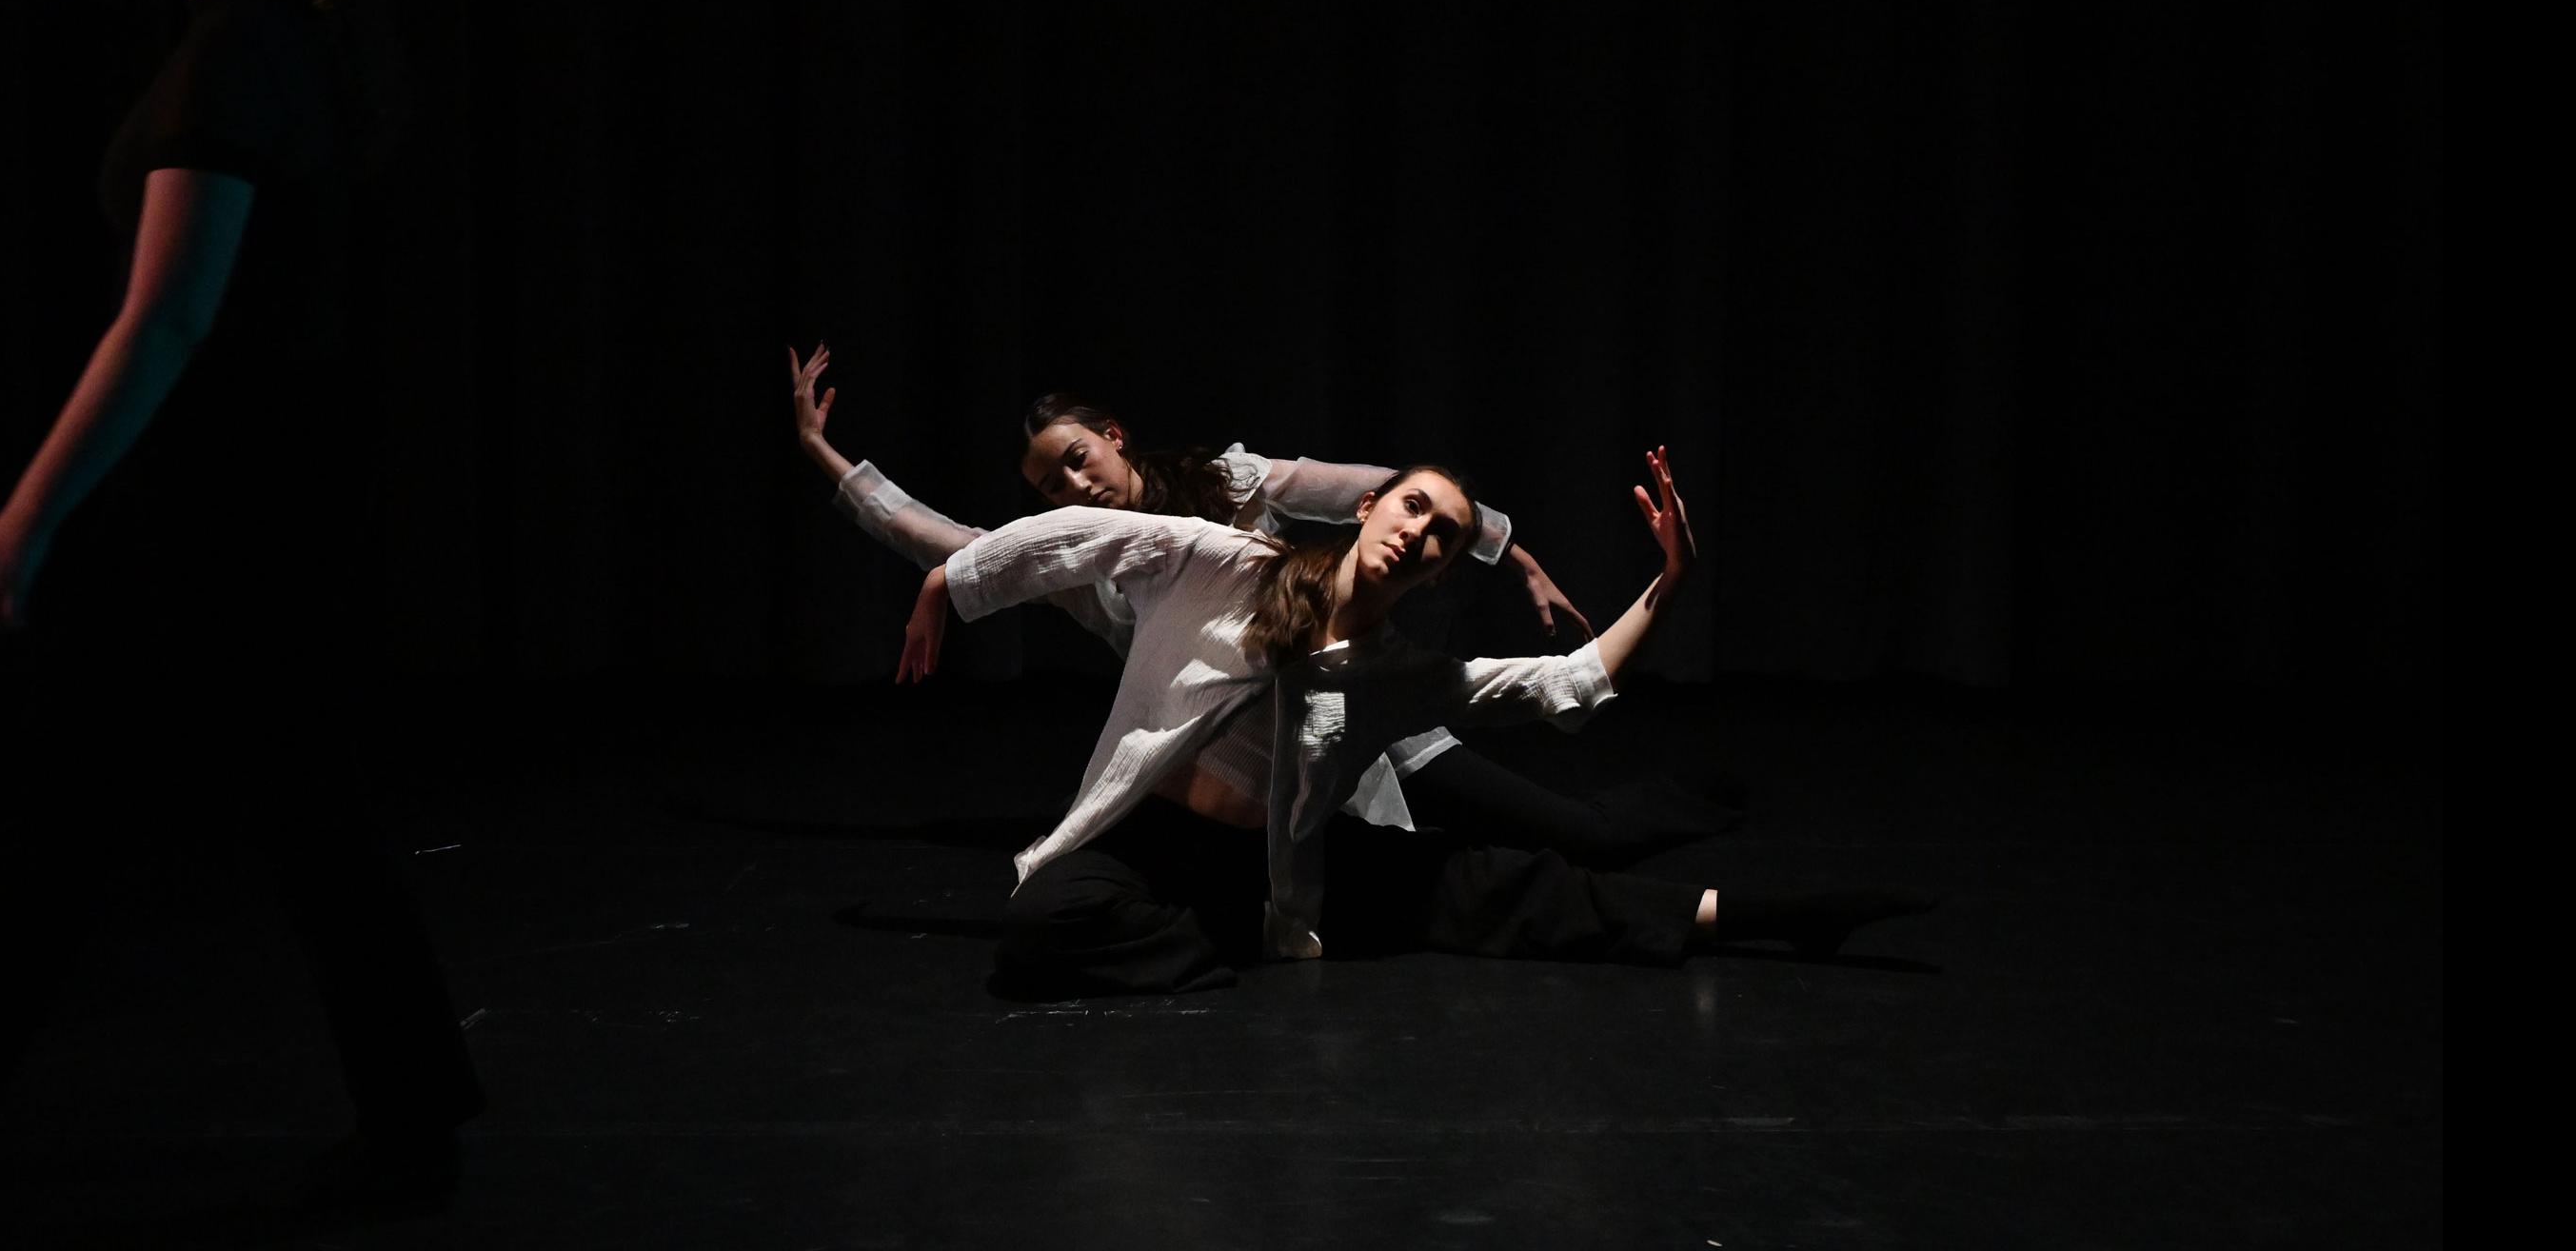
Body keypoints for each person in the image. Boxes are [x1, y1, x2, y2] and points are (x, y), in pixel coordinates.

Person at [0, 0, 476, 1212]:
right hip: (254, 506)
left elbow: (165, 318)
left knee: (107, 804)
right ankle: (413, 1108)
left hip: (219, 514)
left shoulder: (234, 54)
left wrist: (24, 518)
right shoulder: (264, 44)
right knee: (227, 806)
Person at [900, 449, 1928, 997]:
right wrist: (956, 578)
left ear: (1440, 566)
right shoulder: (1225, 563)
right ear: (1369, 510)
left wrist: (1670, 582)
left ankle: (1759, 918)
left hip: (1273, 865)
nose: (1421, 532)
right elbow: (1085, 535)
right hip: (1152, 842)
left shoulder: (1397, 673)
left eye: (1442, 536)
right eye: (1412, 508)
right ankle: (1236, 946)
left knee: (1501, 890)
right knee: (1035, 930)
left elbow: (1558, 683)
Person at [787, 347, 1738, 862]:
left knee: (1560, 836)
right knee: (1454, 871)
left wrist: (1510, 550)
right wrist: (823, 454)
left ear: (1115, 437)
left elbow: (1383, 491)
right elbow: (945, 543)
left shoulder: (1228, 490)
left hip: (1362, 714)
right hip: (1262, 775)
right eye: (1046, 484)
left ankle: (1681, 804)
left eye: (1076, 457)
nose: (1068, 487)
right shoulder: (1089, 565)